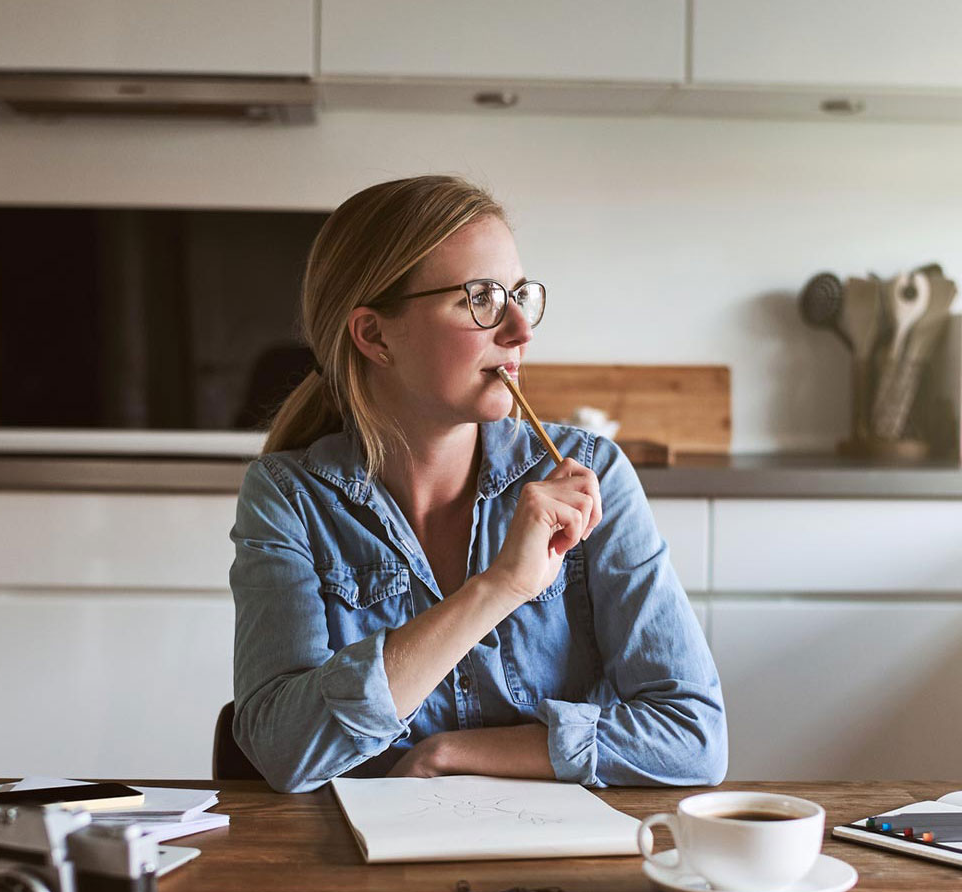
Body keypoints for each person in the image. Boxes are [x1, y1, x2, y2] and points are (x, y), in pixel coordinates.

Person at [229, 175, 727, 793]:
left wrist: (453, 754)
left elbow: (693, 737)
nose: (521, 329)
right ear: (375, 335)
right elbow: (284, 750)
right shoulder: (289, 497)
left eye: (519, 294)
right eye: (480, 298)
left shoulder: (589, 474)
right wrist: (501, 587)